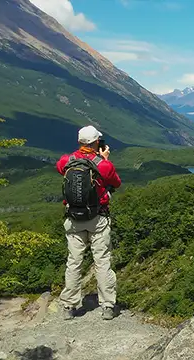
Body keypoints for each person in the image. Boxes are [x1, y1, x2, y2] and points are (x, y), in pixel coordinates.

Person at [56, 125, 122, 321]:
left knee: (74, 262)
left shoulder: (66, 161)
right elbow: (116, 182)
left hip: (73, 219)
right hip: (97, 218)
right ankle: (108, 305)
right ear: (96, 143)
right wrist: (105, 160)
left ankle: (69, 305)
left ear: (79, 142)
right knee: (102, 261)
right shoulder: (103, 165)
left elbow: (62, 171)